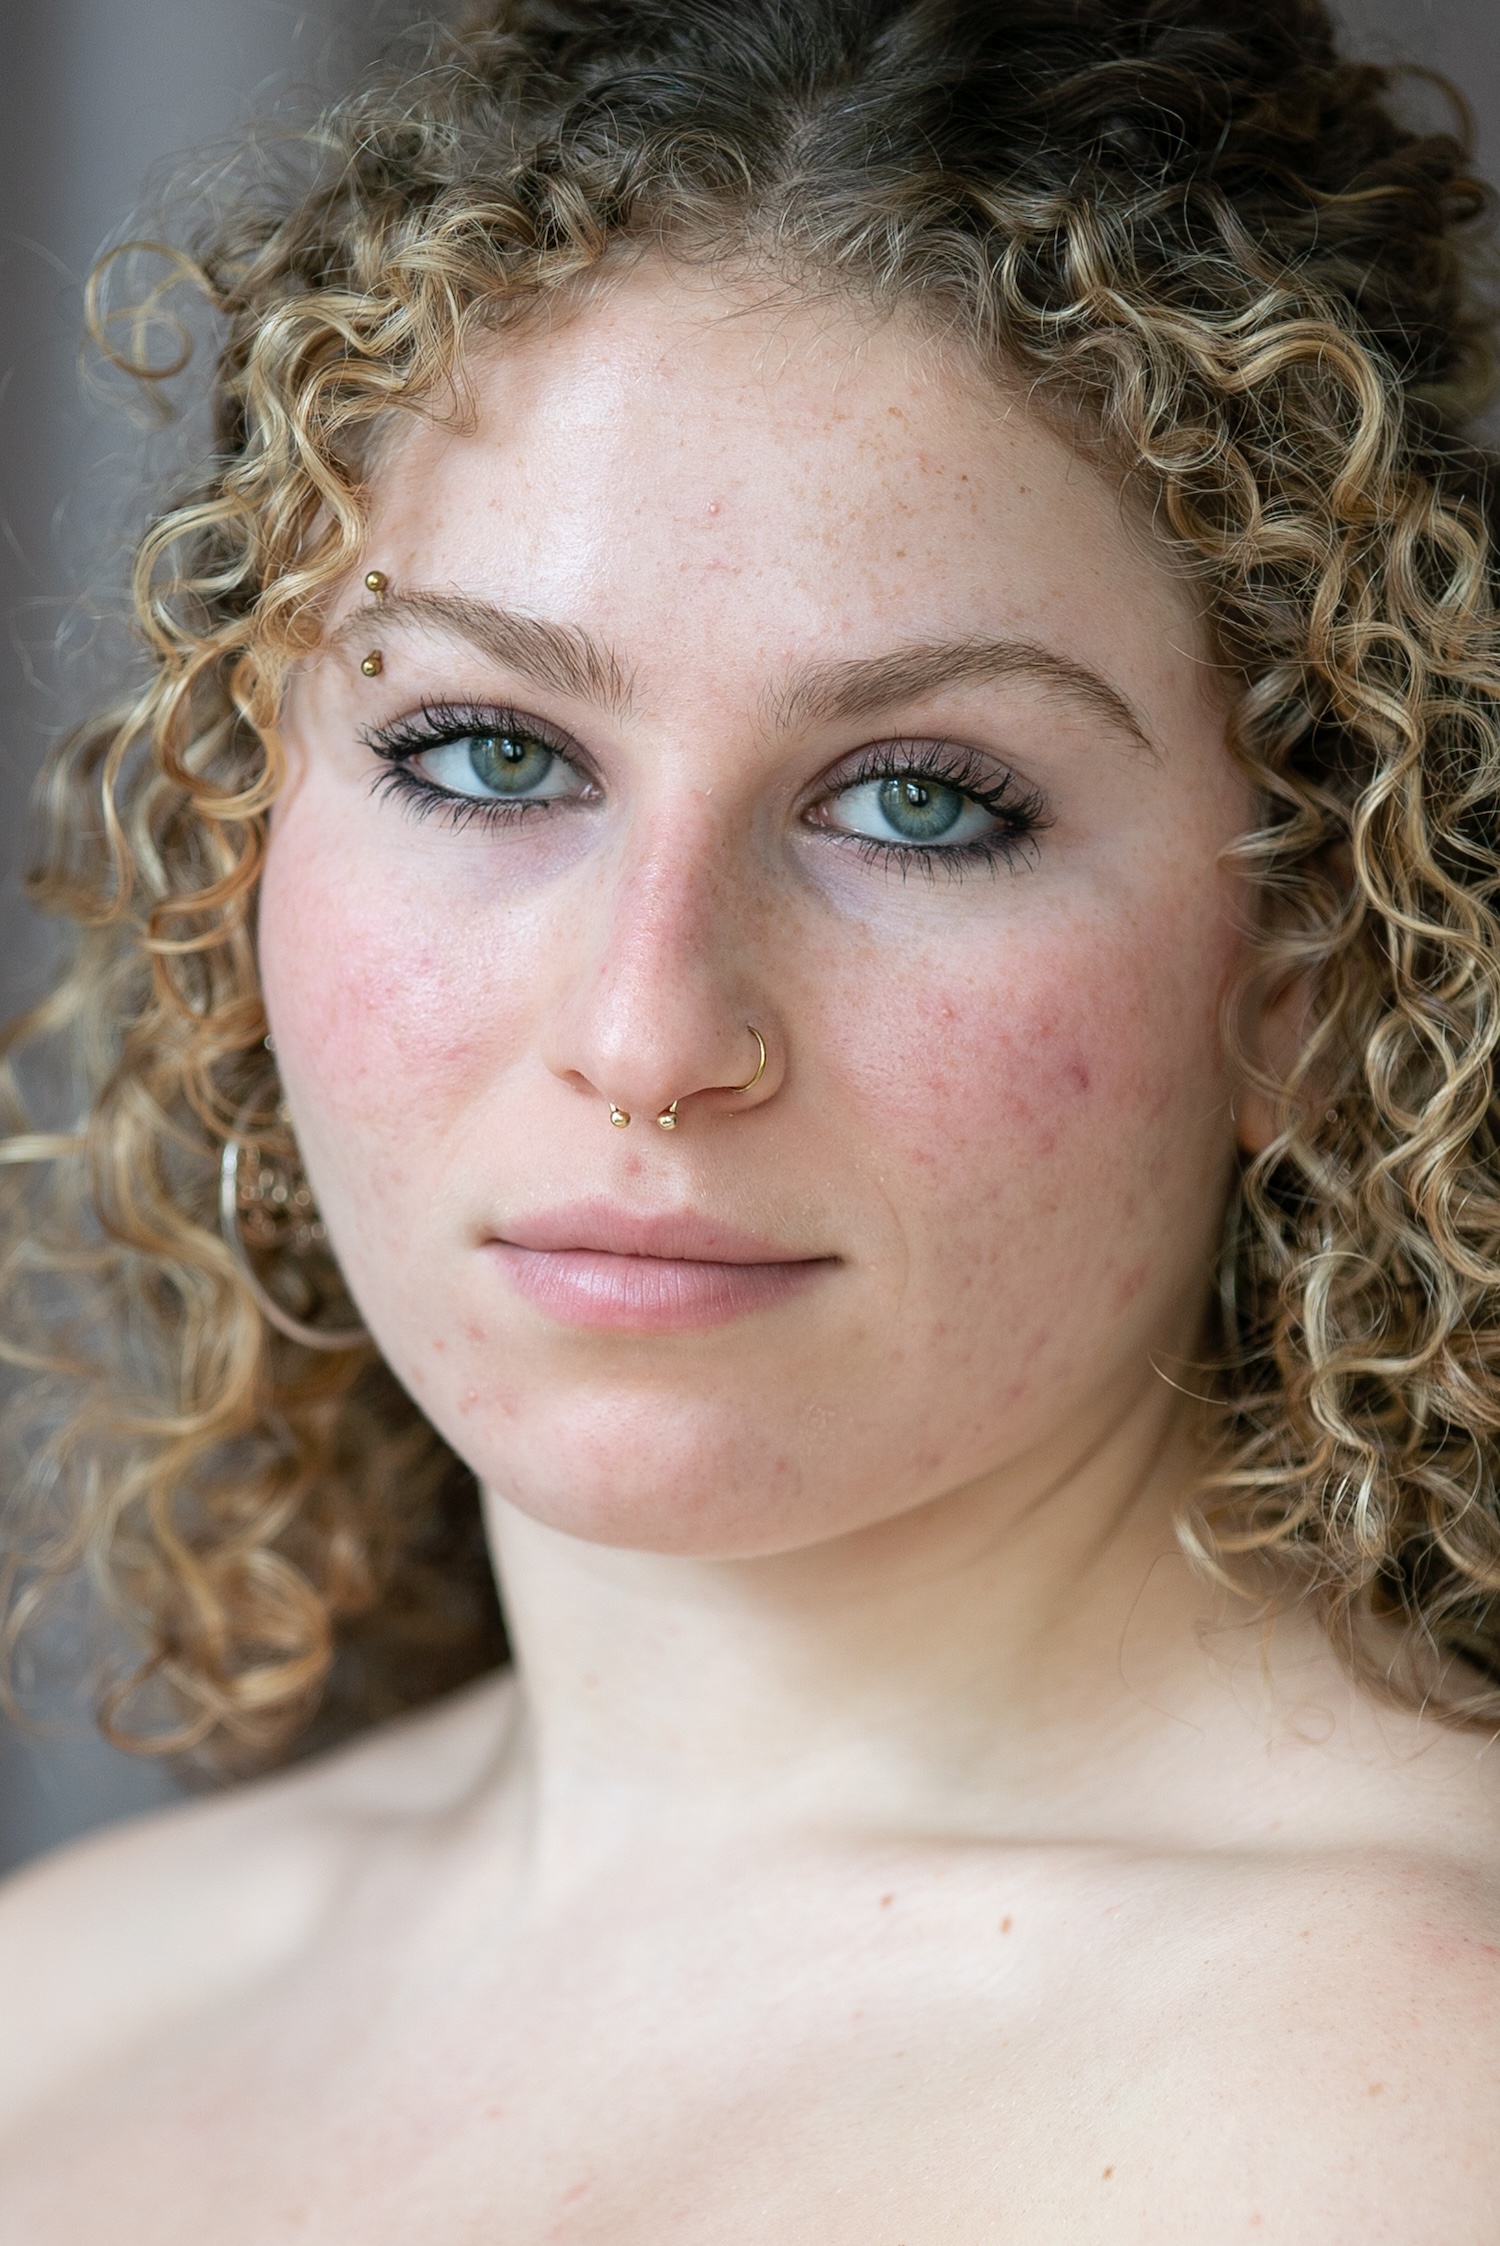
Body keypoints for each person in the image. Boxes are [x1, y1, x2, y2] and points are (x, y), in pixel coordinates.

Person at [1, 0, 1498, 2233]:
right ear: (239, 834)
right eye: (492, 756)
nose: (650, 1025)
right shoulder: (64, 2017)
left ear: (1304, 965)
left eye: (920, 801)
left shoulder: (1417, 2093)